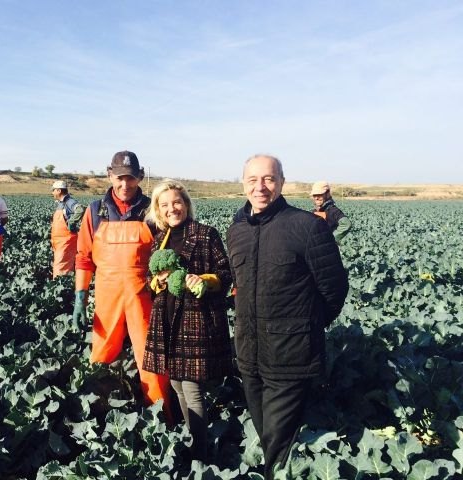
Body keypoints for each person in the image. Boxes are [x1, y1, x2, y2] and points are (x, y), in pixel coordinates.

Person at [227, 155, 348, 480]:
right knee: (267, 436)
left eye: (268, 179)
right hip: (249, 357)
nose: (260, 187)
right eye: (253, 179)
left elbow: (334, 288)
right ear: (243, 184)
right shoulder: (236, 231)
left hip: (290, 358)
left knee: (278, 447)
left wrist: (305, 327)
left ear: (281, 183)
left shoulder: (307, 226)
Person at [72, 151, 171, 416]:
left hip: (144, 296)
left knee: (151, 358)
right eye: (119, 178)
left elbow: (166, 255)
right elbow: (83, 258)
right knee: (102, 356)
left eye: (130, 178)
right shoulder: (95, 211)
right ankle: (97, 417)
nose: (124, 184)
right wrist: (80, 298)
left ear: (139, 177)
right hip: (106, 296)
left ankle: (161, 416)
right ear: (109, 175)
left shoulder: (153, 211)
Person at [142, 180, 233, 462]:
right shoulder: (161, 239)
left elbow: (226, 274)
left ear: (186, 204)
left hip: (194, 321)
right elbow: (151, 281)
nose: (172, 209)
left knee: (192, 390)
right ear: (158, 209)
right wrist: (157, 281)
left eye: (177, 202)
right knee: (178, 385)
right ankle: (194, 441)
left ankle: (200, 455)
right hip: (167, 320)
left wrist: (204, 281)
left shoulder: (206, 234)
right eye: (165, 205)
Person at [51, 180, 85, 277]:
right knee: (61, 265)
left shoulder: (69, 202)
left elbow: (80, 209)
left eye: (53, 190)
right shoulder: (61, 203)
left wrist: (71, 222)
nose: (52, 193)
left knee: (61, 266)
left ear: (59, 190)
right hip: (59, 241)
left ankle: (61, 288)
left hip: (66, 240)